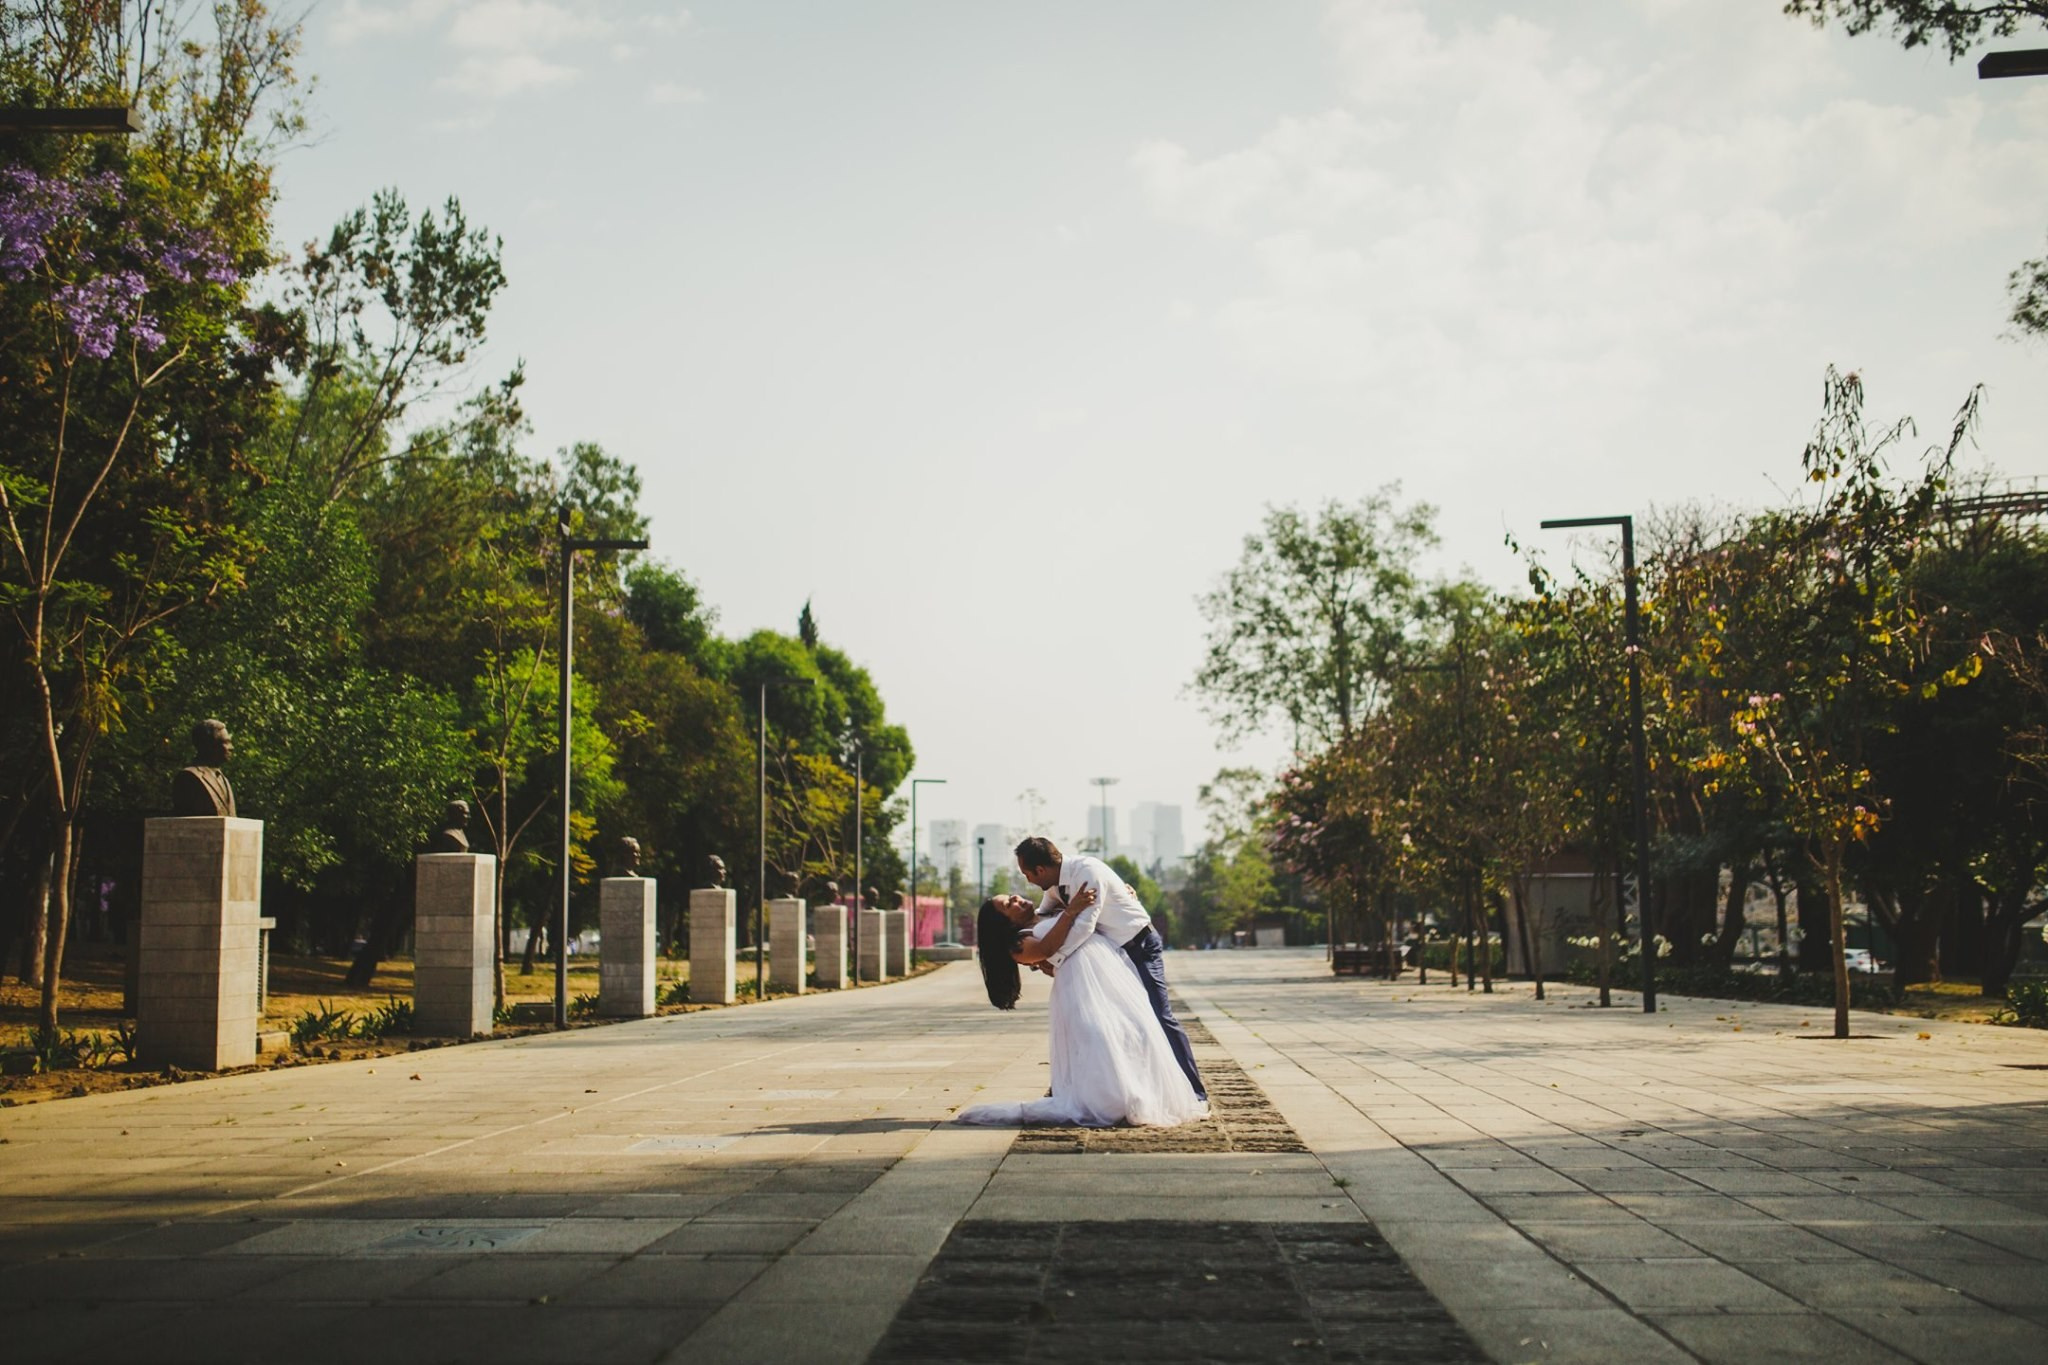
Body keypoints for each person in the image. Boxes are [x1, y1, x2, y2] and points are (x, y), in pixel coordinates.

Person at [957, 884, 1208, 1128]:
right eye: (1008, 904)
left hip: (1111, 980)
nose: (1015, 897)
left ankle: (1138, 1090)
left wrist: (1121, 895)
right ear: (1006, 923)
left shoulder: (1052, 910)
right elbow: (1047, 948)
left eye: (1011, 895)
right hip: (1080, 992)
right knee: (1098, 1039)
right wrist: (1071, 912)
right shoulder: (1020, 944)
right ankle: (1109, 1099)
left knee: (1134, 1032)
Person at [1011, 835, 1207, 1101]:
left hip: (1139, 946)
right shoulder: (1056, 884)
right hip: (1111, 955)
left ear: (1041, 870)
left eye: (1027, 874)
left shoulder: (1088, 873)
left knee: (1159, 1016)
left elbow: (1084, 927)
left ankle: (1195, 1091)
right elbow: (1044, 915)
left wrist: (1054, 959)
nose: (1028, 881)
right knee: (1115, 1023)